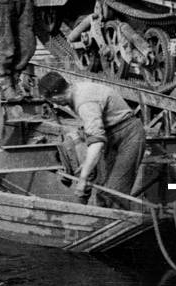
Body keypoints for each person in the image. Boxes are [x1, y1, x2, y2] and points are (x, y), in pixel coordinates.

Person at [37, 71, 145, 206]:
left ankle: (116, 223)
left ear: (57, 96)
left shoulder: (84, 102)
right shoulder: (75, 89)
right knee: (102, 188)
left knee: (115, 192)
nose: (55, 105)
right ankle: (99, 221)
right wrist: (88, 163)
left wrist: (82, 179)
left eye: (53, 101)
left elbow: (97, 143)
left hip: (129, 135)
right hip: (112, 133)